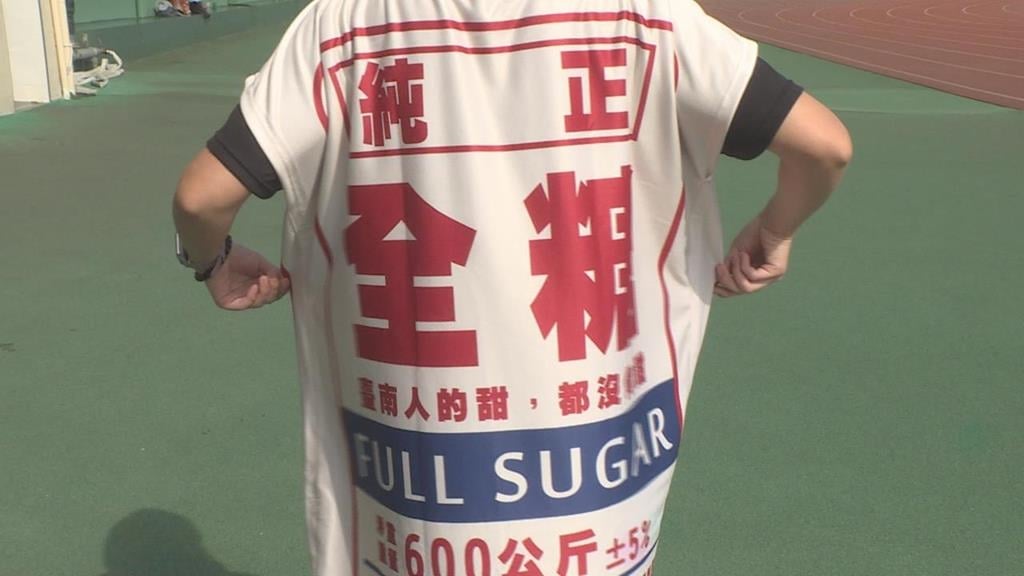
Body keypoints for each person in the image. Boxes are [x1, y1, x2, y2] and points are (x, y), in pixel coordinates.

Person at [172, 1, 851, 574]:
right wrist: (774, 229)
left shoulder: (340, 24)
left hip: (417, 480)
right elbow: (824, 146)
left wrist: (212, 261)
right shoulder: (648, 17)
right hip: (593, 483)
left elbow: (202, 198)